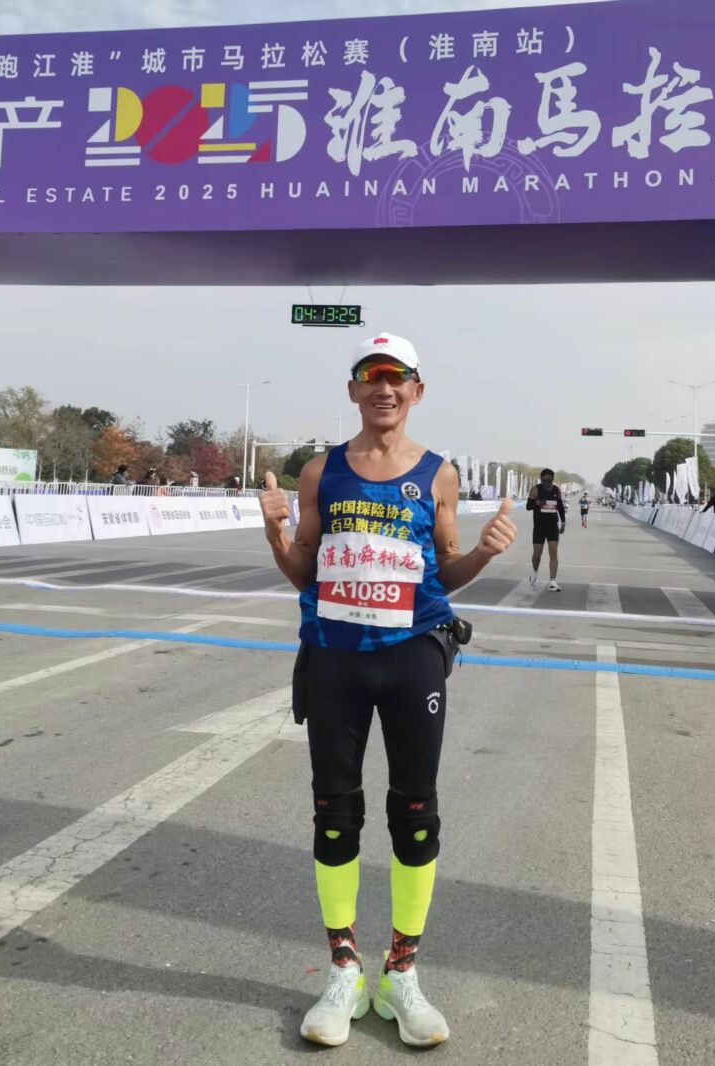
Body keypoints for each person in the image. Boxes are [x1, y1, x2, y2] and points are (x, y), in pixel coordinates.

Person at [259, 331, 516, 1049]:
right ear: (354, 391)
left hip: (412, 658)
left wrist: (483, 555)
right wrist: (276, 535)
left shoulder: (439, 473)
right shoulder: (321, 471)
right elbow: (304, 571)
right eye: (371, 377)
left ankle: (401, 974)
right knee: (335, 813)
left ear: (416, 391)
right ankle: (344, 972)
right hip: (335, 659)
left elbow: (446, 571)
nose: (384, 388)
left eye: (397, 377)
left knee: (415, 812)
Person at [526, 468, 566, 590]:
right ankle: (535, 572)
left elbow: (560, 507)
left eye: (549, 480)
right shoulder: (535, 489)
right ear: (541, 479)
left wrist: (563, 523)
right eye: (544, 480)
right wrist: (536, 503)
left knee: (553, 553)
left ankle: (553, 581)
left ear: (552, 479)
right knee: (537, 555)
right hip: (539, 526)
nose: (546, 483)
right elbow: (528, 506)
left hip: (552, 525)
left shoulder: (556, 490)